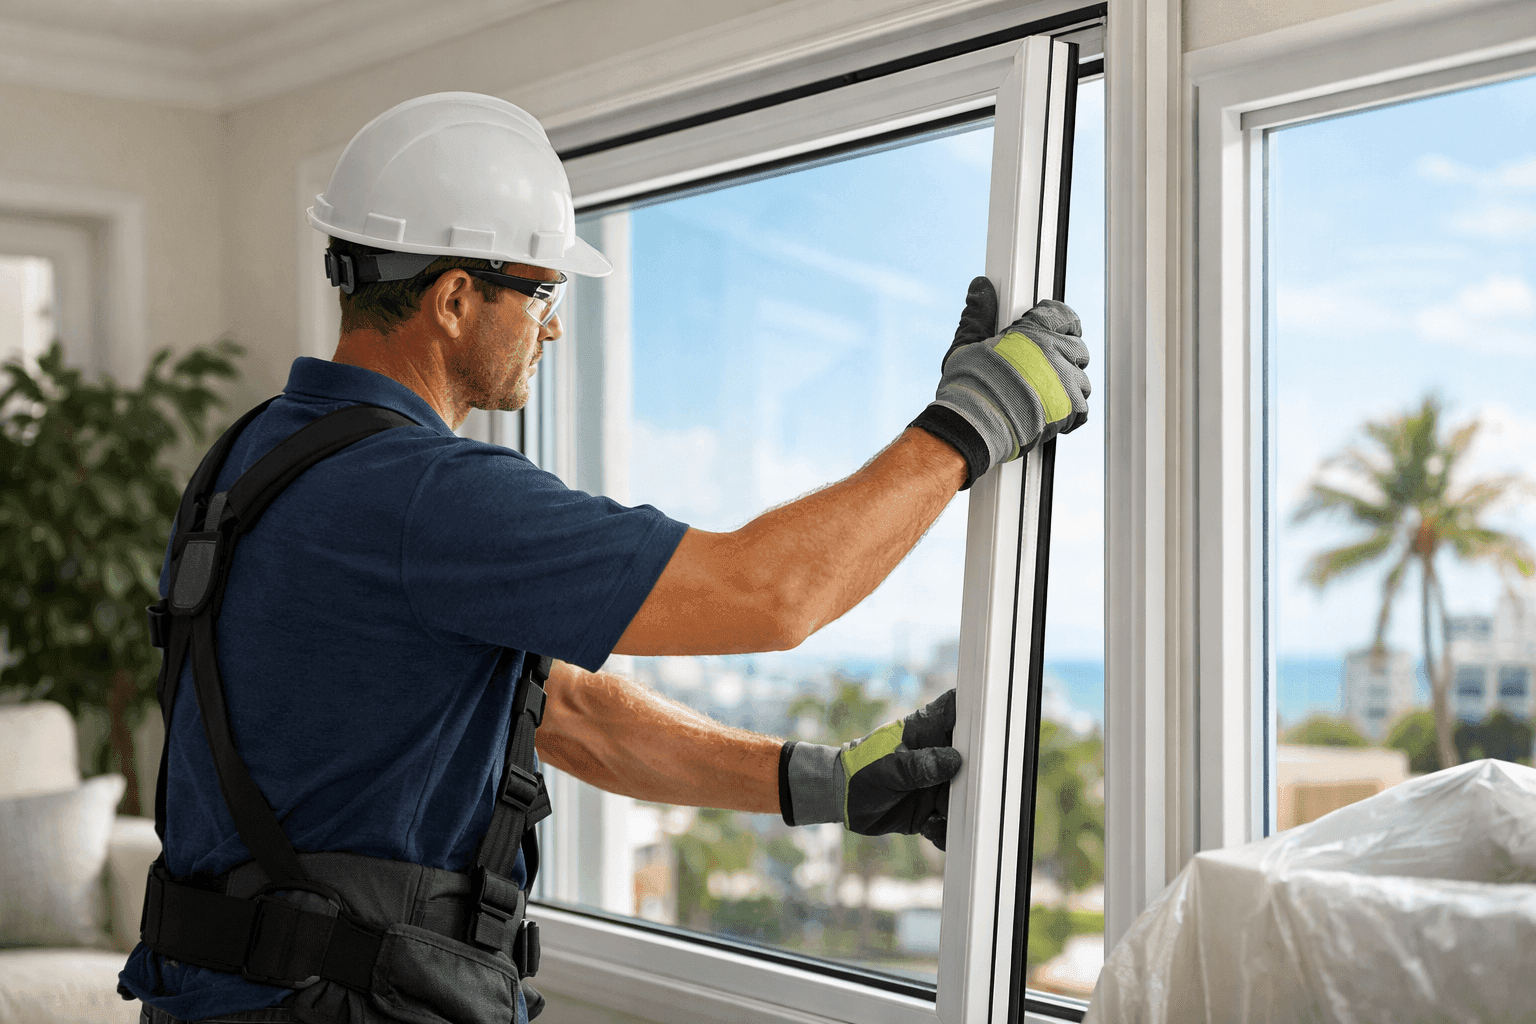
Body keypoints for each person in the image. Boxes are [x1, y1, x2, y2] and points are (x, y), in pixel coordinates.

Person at [118, 92, 1090, 1024]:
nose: (552, 322)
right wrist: (969, 425)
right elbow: (767, 592)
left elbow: (561, 715)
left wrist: (821, 781)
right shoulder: (423, 493)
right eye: (540, 289)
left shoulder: (246, 462)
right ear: (455, 297)